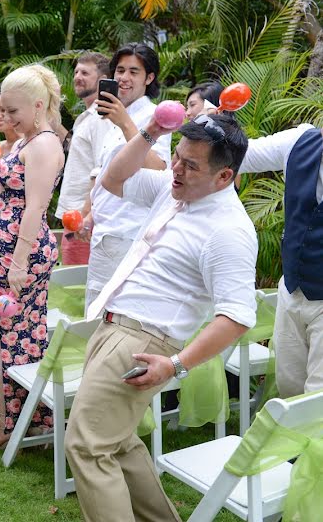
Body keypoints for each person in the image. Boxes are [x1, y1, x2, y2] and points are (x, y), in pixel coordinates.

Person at [66, 113, 256, 522]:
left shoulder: (230, 230)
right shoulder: (175, 190)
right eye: (178, 158)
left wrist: (175, 365)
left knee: (87, 445)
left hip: (144, 341)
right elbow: (112, 180)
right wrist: (150, 131)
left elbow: (237, 316)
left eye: (191, 165)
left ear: (224, 177)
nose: (177, 169)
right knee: (115, 443)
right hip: (115, 327)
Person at [0, 65, 66, 448]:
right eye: (3, 111)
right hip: (4, 244)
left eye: (13, 111)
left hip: (20, 250)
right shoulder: (23, 143)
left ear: (39, 105)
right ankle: (12, 418)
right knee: (1, 334)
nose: (5, 118)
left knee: (17, 336)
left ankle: (22, 421)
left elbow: (35, 208)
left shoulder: (44, 144)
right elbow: (4, 198)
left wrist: (20, 261)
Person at [83, 43, 171, 309]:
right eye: (120, 70)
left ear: (150, 78)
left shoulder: (154, 115)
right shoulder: (112, 114)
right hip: (105, 232)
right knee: (97, 314)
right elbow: (105, 172)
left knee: (113, 316)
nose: (124, 78)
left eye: (134, 71)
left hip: (128, 233)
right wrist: (90, 214)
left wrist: (125, 124)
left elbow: (159, 167)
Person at [240, 122, 323, 397]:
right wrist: (214, 123)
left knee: (317, 398)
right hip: (292, 289)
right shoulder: (299, 141)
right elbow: (241, 154)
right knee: (290, 388)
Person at [54, 52, 110, 265]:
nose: (77, 76)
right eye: (76, 71)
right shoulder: (87, 116)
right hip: (75, 216)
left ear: (103, 80)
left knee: (77, 289)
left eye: (85, 73)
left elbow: (102, 168)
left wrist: (86, 216)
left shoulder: (102, 116)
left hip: (84, 219)